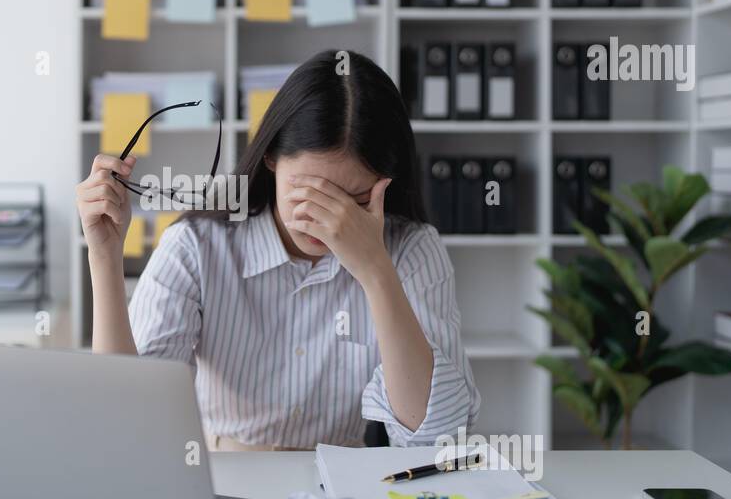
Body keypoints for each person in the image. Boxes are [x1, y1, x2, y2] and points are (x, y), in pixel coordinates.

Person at [75, 49, 481, 450]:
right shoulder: (197, 246)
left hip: (340, 492)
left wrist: (375, 270)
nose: (329, 223)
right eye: (308, 194)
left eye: (354, 202)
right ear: (270, 156)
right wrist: (104, 256)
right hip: (226, 480)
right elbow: (128, 418)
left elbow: (438, 440)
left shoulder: (412, 250)